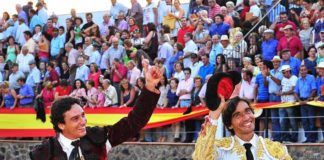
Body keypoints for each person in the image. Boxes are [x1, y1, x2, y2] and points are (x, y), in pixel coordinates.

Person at [30, 66, 162, 159]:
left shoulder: (97, 137)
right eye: (75, 119)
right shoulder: (44, 153)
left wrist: (149, 87)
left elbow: (134, 122)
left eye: (83, 115)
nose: (83, 121)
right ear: (61, 125)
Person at [192, 96, 292, 159]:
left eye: (248, 111)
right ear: (230, 124)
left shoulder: (275, 149)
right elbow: (201, 157)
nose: (246, 118)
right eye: (237, 115)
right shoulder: (221, 149)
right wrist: (213, 117)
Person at [294, 65, 317, 143]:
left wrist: (307, 100)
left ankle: (313, 139)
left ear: (307, 70)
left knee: (311, 120)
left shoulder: (311, 77)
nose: (303, 71)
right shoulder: (298, 80)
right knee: (304, 121)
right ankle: (308, 138)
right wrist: (299, 100)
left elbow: (314, 90)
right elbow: (295, 92)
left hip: (310, 101)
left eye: (304, 70)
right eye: (301, 70)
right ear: (299, 71)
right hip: (301, 102)